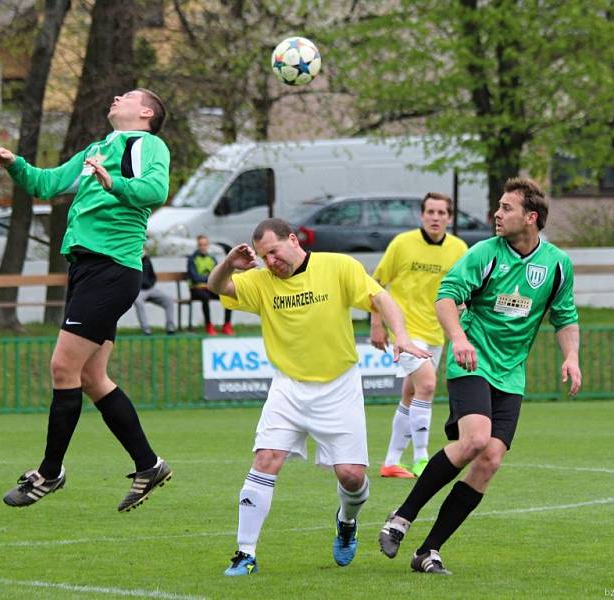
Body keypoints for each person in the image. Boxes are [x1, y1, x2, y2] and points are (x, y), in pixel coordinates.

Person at [378, 178, 581, 575]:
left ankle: (428, 551)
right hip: (471, 362)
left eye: (507, 208)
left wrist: (571, 356)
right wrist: (459, 339)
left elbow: (565, 317)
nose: (497, 214)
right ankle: (400, 518)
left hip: (510, 374)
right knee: (474, 440)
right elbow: (446, 296)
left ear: (531, 217)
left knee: (489, 458)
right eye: (499, 206)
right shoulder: (485, 253)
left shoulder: (557, 264)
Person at [207, 218, 429, 576]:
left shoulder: (338, 266)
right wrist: (228, 264)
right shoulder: (262, 281)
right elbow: (217, 286)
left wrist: (400, 334)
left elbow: (380, 297)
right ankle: (244, 553)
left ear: (293, 240)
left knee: (352, 477)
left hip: (338, 386)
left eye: (275, 253)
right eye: (264, 257)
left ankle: (346, 520)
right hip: (288, 386)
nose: (271, 263)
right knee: (266, 459)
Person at [0, 88, 174, 512]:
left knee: (62, 367)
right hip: (89, 269)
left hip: (111, 268)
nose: (115, 97)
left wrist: (116, 183)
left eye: (126, 96)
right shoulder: (98, 148)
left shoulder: (147, 144)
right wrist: (15, 164)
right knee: (92, 378)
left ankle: (49, 473)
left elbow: (155, 189)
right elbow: (48, 184)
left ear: (145, 112)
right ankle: (149, 465)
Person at [371, 192, 468, 479]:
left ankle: (390, 462)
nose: (435, 218)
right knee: (427, 384)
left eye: (441, 213)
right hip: (406, 332)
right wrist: (377, 324)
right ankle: (422, 458)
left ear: (449, 218)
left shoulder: (459, 248)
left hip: (436, 332)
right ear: (422, 215)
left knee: (412, 393)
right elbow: (375, 283)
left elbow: (463, 288)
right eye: (430, 212)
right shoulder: (402, 244)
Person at [188, 234, 233, 335]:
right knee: (204, 298)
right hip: (196, 289)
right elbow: (195, 278)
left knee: (228, 296)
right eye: (201, 245)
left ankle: (227, 325)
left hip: (210, 288)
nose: (203, 247)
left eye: (205, 244)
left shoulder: (212, 259)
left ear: (207, 245)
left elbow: (217, 275)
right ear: (198, 245)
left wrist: (209, 279)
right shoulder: (192, 259)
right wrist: (209, 277)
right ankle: (208, 325)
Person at [134, 252, 177, 335]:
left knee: (169, 300)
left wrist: (151, 283)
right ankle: (146, 329)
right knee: (138, 302)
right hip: (139, 291)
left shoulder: (147, 259)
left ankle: (170, 327)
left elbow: (152, 275)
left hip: (151, 288)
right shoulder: (131, 259)